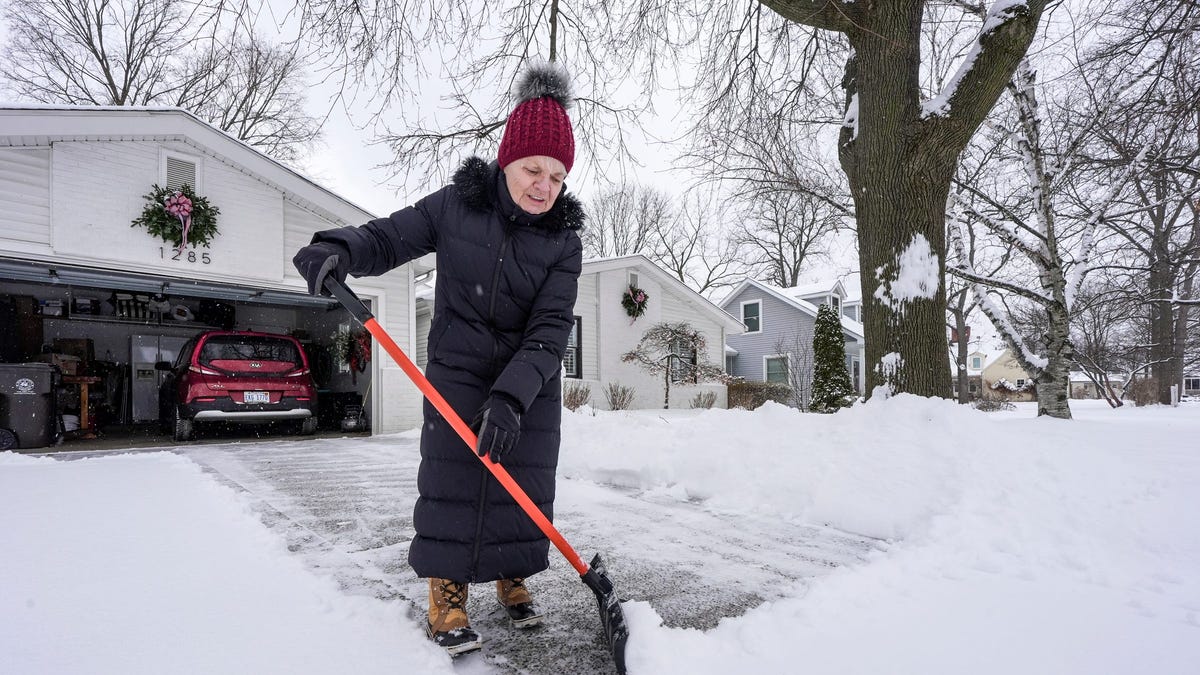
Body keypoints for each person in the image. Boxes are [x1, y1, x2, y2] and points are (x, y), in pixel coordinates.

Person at [292, 61, 584, 656]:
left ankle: (511, 573)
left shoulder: (563, 241)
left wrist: (512, 394)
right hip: (457, 371)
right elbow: (390, 237)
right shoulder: (457, 206)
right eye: (533, 169)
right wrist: (336, 249)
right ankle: (447, 591)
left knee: (519, 481)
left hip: (526, 382)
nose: (543, 185)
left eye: (556, 175)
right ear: (506, 162)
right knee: (452, 479)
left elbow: (552, 330)